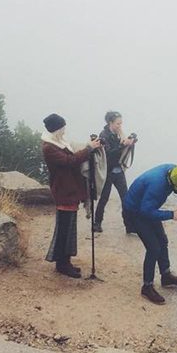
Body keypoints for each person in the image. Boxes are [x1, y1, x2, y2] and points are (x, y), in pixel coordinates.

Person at [122, 163, 177, 305]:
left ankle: (166, 276)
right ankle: (147, 286)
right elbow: (146, 211)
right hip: (135, 212)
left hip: (146, 206)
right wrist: (171, 215)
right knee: (153, 248)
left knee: (162, 240)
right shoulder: (157, 186)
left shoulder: (174, 171)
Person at [41, 113, 102, 278]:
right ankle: (62, 264)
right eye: (62, 128)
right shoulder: (49, 147)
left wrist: (89, 146)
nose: (64, 131)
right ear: (56, 129)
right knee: (64, 230)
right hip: (63, 191)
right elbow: (69, 161)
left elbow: (73, 155)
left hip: (69, 190)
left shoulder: (58, 143)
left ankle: (65, 262)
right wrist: (88, 149)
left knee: (68, 228)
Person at [93, 110, 136, 234]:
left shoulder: (119, 134)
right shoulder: (104, 135)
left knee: (126, 198)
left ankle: (129, 226)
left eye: (121, 124)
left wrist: (131, 142)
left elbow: (122, 150)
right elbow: (108, 154)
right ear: (110, 122)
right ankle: (97, 223)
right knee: (104, 198)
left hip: (118, 171)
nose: (120, 126)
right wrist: (123, 144)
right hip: (107, 171)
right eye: (118, 124)